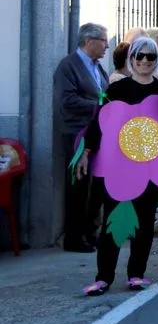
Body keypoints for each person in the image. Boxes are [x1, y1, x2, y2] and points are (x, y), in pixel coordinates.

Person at [77, 37, 158, 295]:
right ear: (131, 58)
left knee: (144, 221)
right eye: (139, 55)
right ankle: (104, 278)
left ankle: (136, 274)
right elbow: (99, 123)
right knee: (112, 221)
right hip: (118, 167)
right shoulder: (116, 90)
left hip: (151, 168)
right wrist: (86, 151)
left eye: (151, 56)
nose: (145, 61)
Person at [53, 23, 110, 253]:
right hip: (76, 133)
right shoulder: (68, 66)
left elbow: (103, 93)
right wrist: (99, 105)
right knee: (78, 184)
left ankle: (89, 231)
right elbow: (67, 101)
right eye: (103, 40)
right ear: (88, 41)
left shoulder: (97, 67)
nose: (107, 46)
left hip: (96, 132)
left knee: (95, 185)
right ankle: (74, 237)